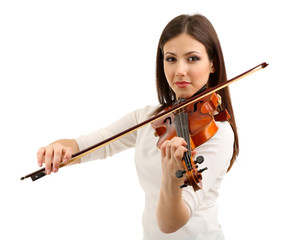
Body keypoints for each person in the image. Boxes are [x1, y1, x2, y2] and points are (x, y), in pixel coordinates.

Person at [37, 14, 239, 240]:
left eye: (192, 59)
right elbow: (97, 143)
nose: (180, 70)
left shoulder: (218, 133)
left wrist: (171, 181)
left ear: (212, 64)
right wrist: (59, 148)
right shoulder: (151, 118)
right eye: (171, 59)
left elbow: (170, 223)